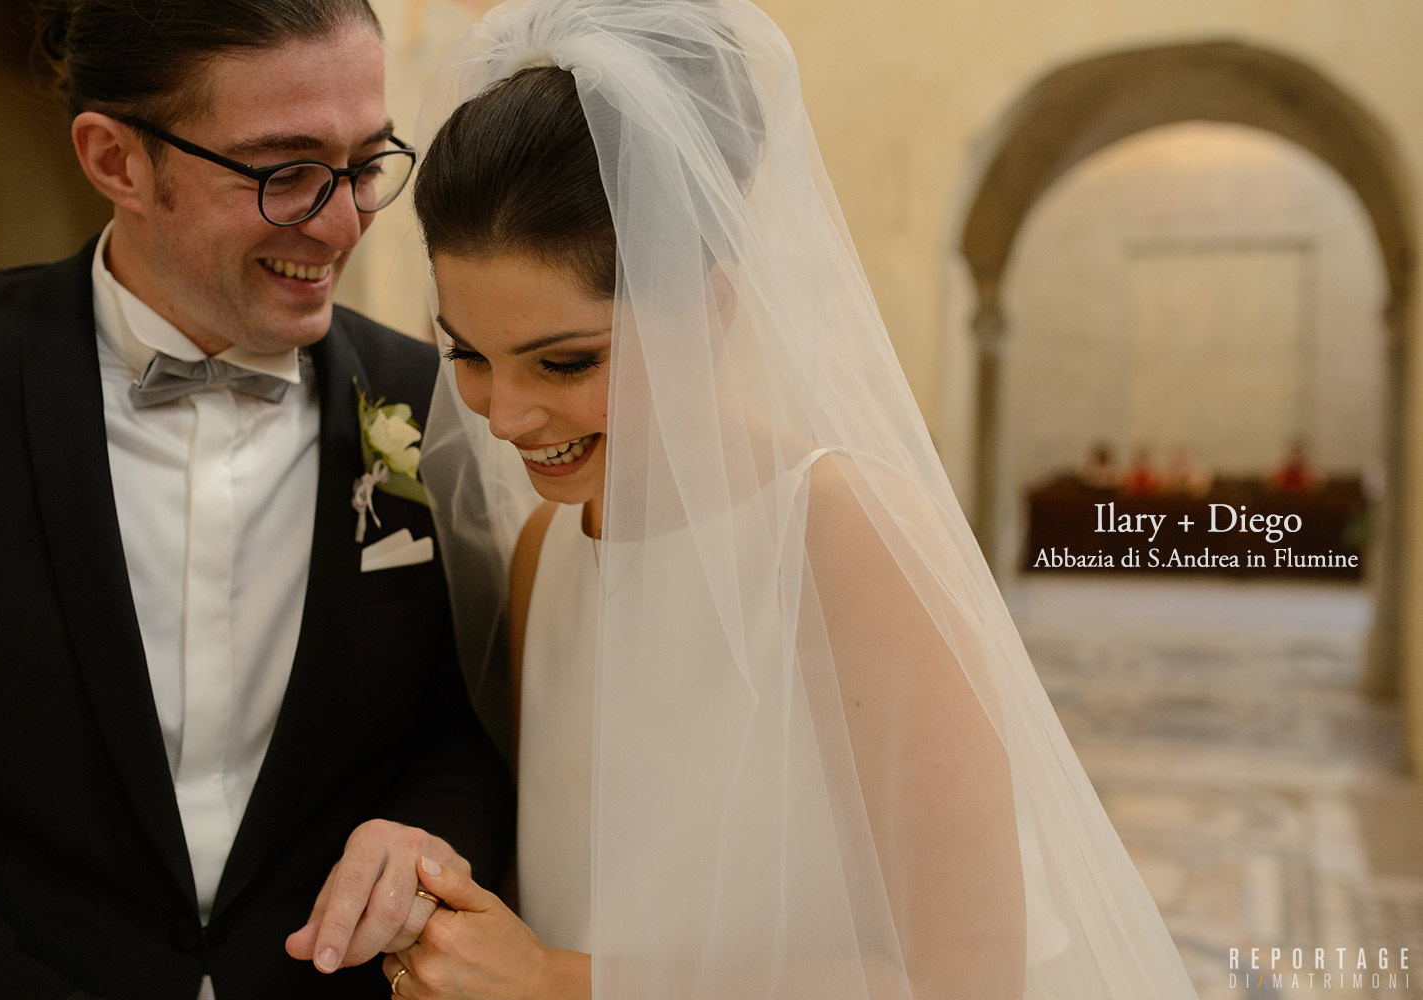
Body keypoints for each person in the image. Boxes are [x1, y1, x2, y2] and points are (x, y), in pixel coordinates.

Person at [388, 0, 1198, 997]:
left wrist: (567, 982)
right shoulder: (545, 551)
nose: (504, 416)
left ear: (712, 307)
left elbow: (965, 974)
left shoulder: (845, 534)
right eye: (467, 352)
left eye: (563, 361)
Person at [0, 2, 512, 998]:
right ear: (116, 160)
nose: (341, 223)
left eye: (366, 163)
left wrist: (423, 841)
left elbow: (466, 727)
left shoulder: (434, 406)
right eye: (284, 172)